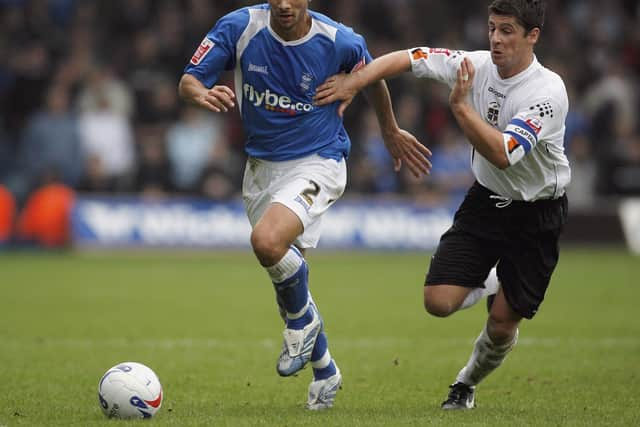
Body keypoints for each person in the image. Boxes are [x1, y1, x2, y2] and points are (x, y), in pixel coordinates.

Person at [314, 0, 570, 410]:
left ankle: (465, 383)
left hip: (537, 213)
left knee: (502, 325)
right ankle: (493, 277)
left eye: (507, 31)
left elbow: (504, 153)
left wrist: (461, 109)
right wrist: (355, 83)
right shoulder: (474, 65)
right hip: (486, 202)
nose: (496, 39)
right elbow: (408, 57)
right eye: (492, 28)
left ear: (532, 36)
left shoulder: (547, 93)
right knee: (437, 302)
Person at [178, 0, 432, 410]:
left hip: (320, 160)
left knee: (266, 242)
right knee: (286, 280)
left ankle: (302, 324)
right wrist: (200, 93)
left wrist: (389, 129)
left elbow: (372, 76)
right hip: (261, 169)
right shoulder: (239, 26)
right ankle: (326, 370)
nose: (283, 4)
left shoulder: (338, 40)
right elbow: (188, 81)